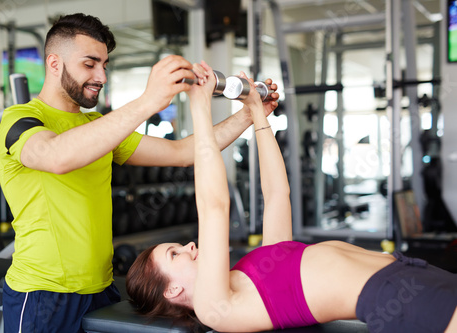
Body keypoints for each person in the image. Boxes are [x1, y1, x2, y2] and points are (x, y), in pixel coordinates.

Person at [0, 13, 279, 333]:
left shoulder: (95, 126)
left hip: (101, 289)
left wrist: (250, 114)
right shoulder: (20, 119)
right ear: (54, 63)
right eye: (90, 64)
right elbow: (56, 156)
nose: (101, 75)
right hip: (43, 294)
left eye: (104, 64)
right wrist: (148, 101)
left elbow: (184, 153)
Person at [125, 61, 457, 333]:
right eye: (175, 253)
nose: (189, 246)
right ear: (173, 291)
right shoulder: (215, 309)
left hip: (414, 272)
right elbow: (214, 207)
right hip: (398, 296)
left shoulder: (253, 272)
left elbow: (277, 194)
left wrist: (257, 113)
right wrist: (198, 107)